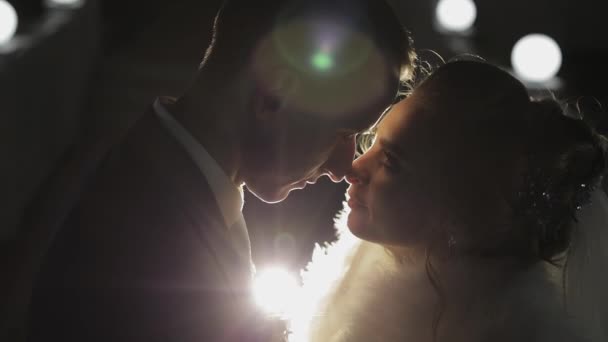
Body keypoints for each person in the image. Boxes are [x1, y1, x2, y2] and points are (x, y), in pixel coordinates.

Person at [19, 1, 415, 341]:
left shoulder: (158, 187)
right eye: (343, 132)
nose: (344, 166)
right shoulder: (147, 243)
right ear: (274, 95)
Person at [289, 60, 606, 342]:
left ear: (460, 207)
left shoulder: (506, 330)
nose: (355, 167)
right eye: (372, 142)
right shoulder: (356, 277)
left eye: (391, 161)